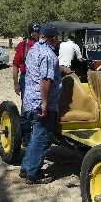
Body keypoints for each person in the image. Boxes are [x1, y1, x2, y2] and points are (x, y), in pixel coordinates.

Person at [19, 24, 62, 185]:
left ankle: (26, 168)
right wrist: (44, 103)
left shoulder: (35, 49)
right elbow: (45, 80)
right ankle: (33, 174)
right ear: (53, 38)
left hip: (29, 100)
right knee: (42, 139)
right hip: (41, 102)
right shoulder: (48, 54)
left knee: (35, 137)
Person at [12, 22, 41, 145]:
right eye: (36, 32)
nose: (39, 34)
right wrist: (16, 83)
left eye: (40, 32)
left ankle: (37, 130)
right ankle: (25, 132)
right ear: (31, 33)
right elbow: (15, 65)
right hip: (26, 78)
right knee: (26, 105)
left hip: (40, 78)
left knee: (40, 104)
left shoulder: (42, 45)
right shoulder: (23, 46)